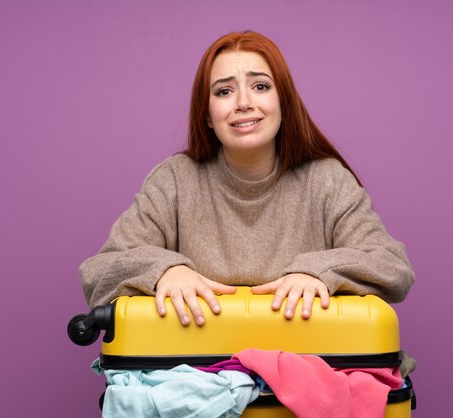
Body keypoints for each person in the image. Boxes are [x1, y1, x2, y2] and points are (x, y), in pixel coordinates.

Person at [79, 31, 415, 327]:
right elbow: (99, 271)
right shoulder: (175, 181)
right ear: (207, 116)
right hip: (196, 374)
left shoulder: (326, 181)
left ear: (283, 102)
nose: (243, 103)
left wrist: (316, 271)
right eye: (224, 92)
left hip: (306, 369)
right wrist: (164, 270)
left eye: (260, 86)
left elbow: (392, 266)